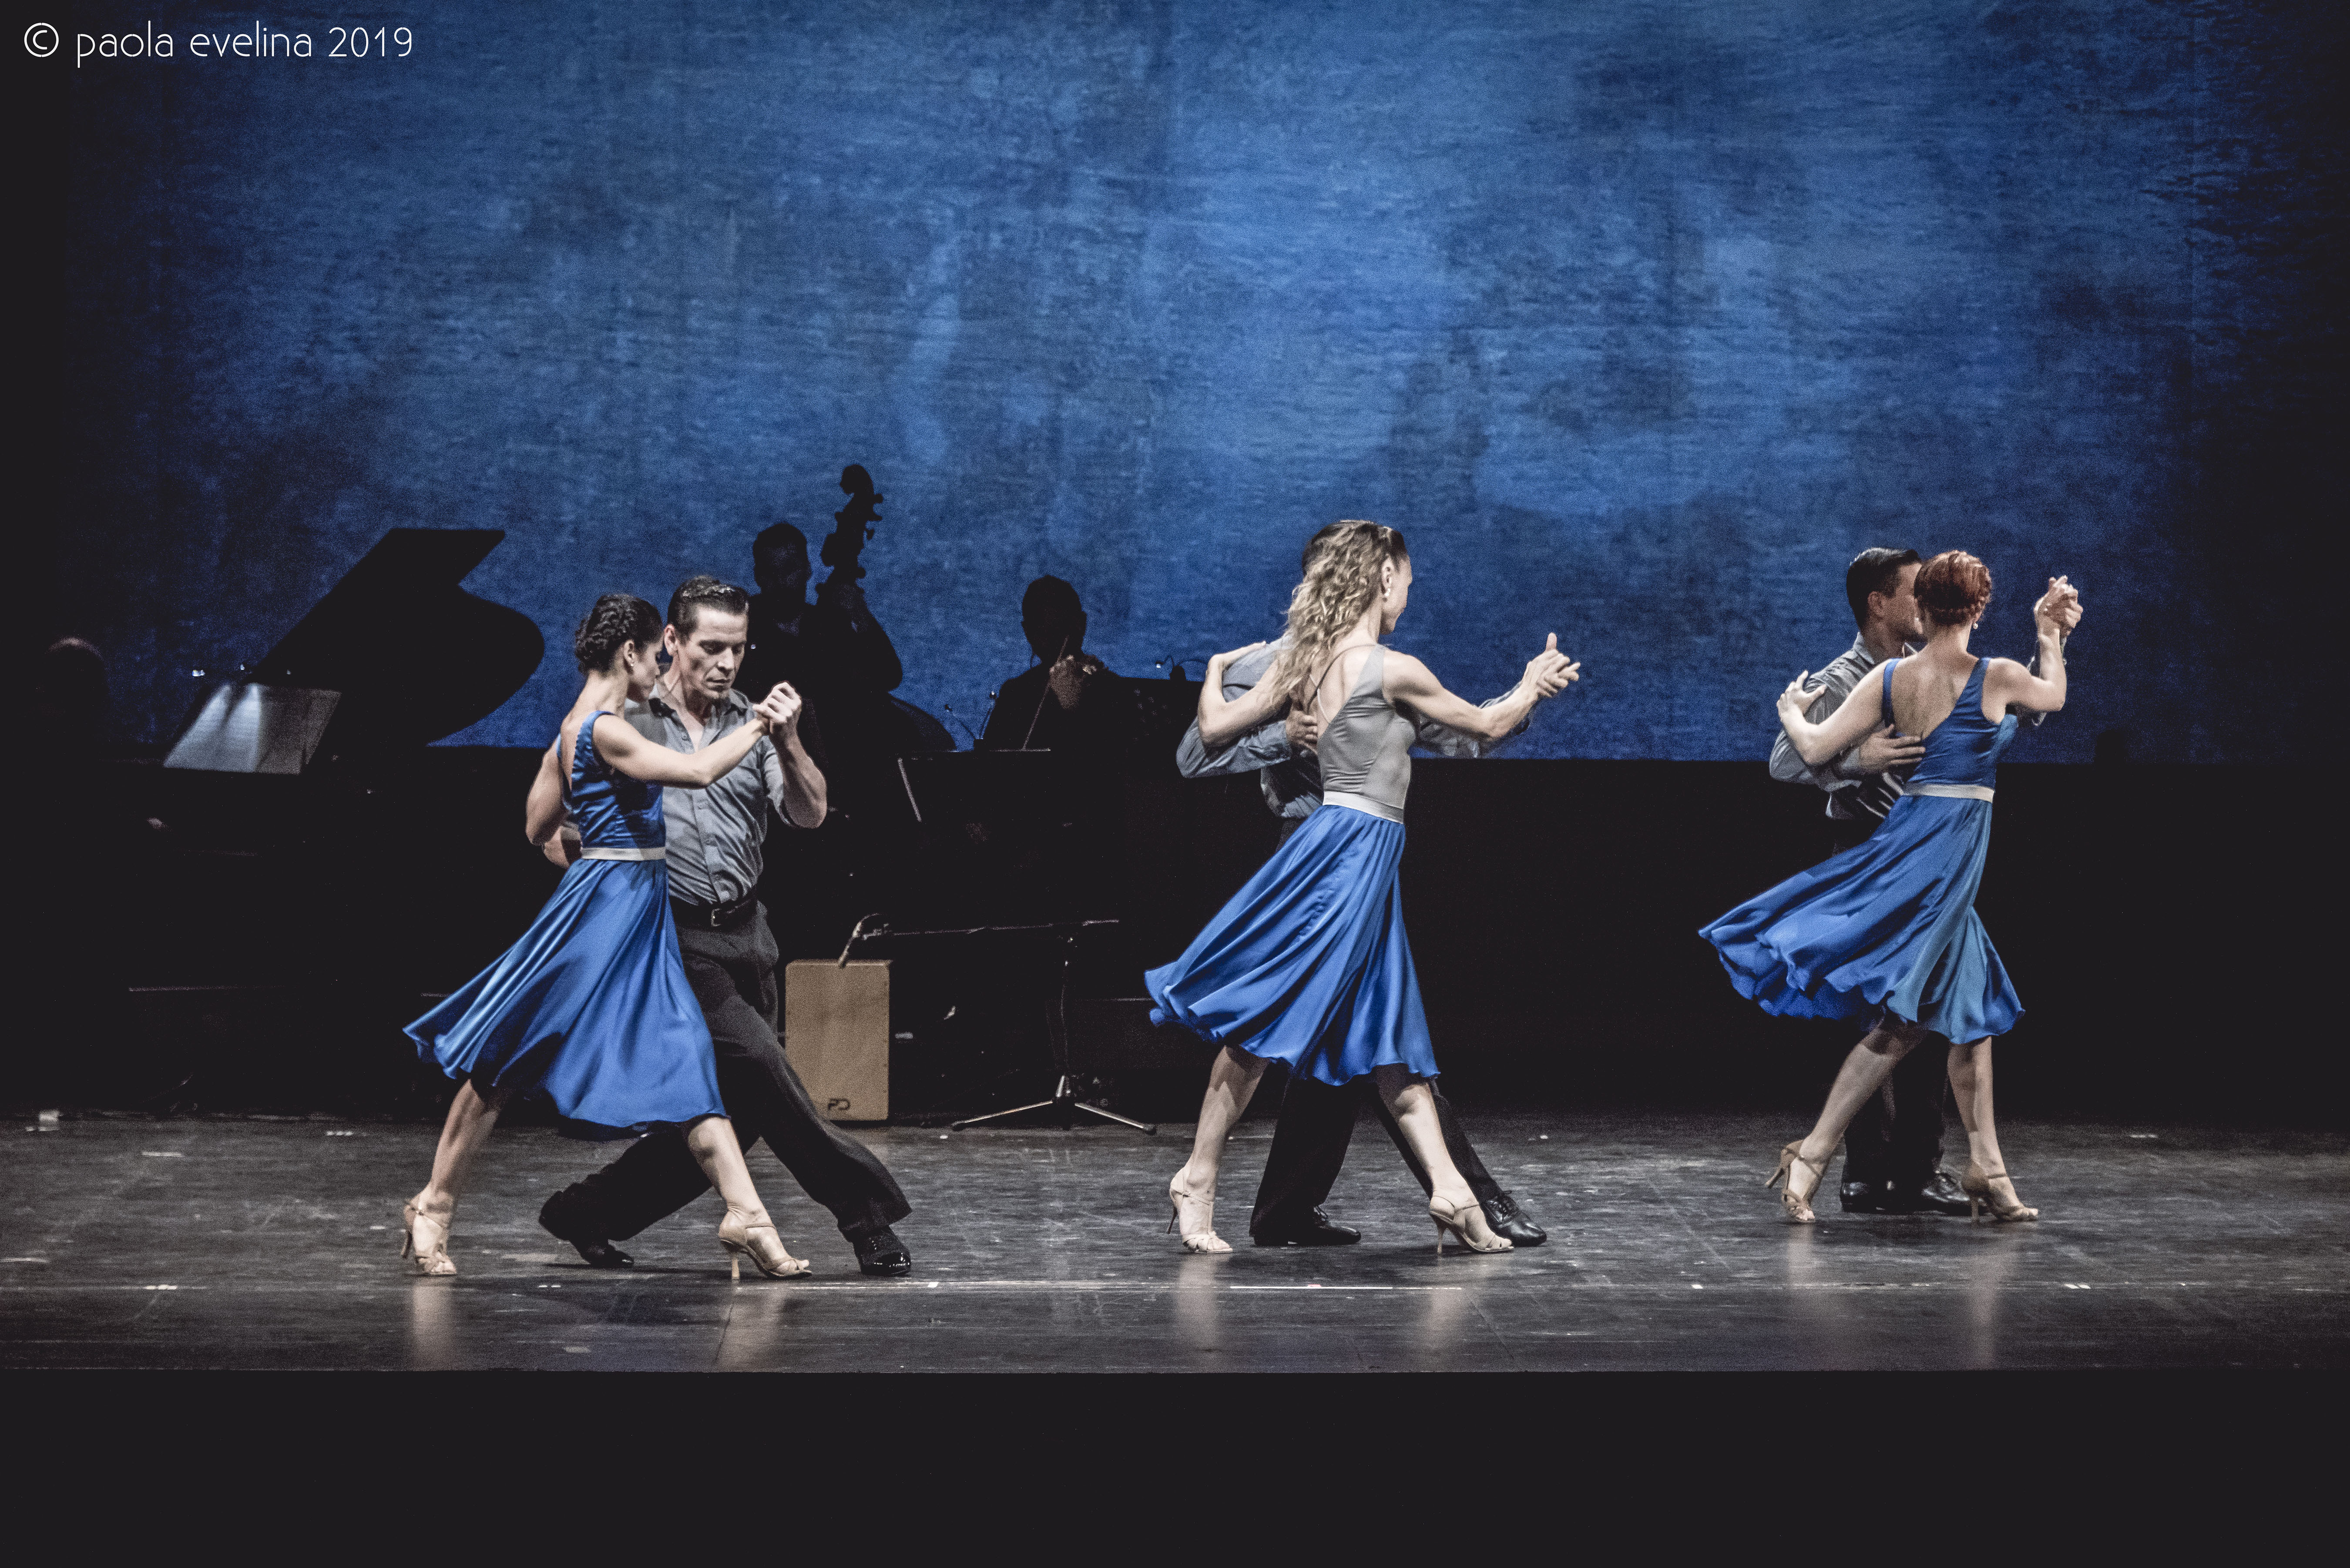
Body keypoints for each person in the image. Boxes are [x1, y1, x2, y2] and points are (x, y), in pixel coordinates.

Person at [1148, 522, 1578, 1254]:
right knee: (1267, 1018)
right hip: (1327, 855)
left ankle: (1452, 1192)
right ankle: (1201, 1174)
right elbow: (1201, 745)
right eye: (1405, 578)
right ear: (1380, 578)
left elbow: (1464, 735)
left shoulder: (1343, 665)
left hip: (1364, 856)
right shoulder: (1307, 663)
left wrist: (1219, 676)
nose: (1409, 591)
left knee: (1385, 1032)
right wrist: (1283, 731)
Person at [401, 594, 809, 1280]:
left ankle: (748, 1216)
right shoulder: (606, 730)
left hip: (628, 905)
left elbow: (537, 831)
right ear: (632, 654)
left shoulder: (572, 729)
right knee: (509, 1053)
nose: (661, 668)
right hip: (608, 914)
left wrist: (600, 851)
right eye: (657, 655)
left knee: (682, 1054)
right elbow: (700, 771)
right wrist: (764, 725)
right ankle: (433, 1206)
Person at [534, 577, 916, 1277]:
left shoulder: (754, 722)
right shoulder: (627, 723)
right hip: (674, 942)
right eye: (712, 647)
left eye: (738, 649)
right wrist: (605, 899)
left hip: (748, 936)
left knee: (737, 1114)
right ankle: (867, 1218)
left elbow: (809, 815)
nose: (727, 663)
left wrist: (794, 740)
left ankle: (587, 1212)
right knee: (770, 1073)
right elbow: (549, 824)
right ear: (672, 642)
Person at [1702, 552, 2079, 1224]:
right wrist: (2049, 634)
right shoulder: (1994, 676)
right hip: (1935, 860)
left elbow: (1813, 748)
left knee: (1972, 1013)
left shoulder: (1890, 676)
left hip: (1914, 846)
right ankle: (1814, 1153)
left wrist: (1790, 711)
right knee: (1906, 1022)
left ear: (1924, 607)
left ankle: (1987, 1168)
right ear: (1979, 609)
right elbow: (2051, 698)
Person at [979, 576, 1116, 752]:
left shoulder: (1111, 690)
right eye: (1045, 630)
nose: (1056, 638)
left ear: (1082, 624)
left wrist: (1074, 709)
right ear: (1028, 632)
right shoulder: (1014, 693)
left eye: (1062, 626)